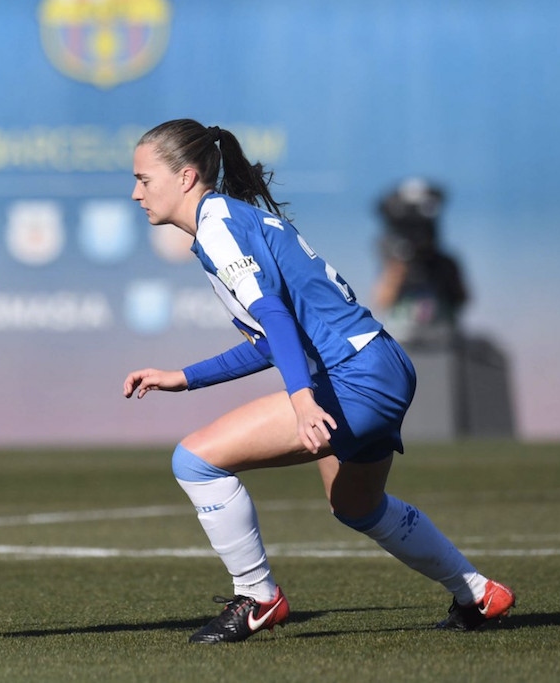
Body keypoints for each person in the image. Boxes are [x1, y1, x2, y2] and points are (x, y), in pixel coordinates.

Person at [121, 119, 514, 643]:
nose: (135, 192)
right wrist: (184, 378)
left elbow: (277, 321)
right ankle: (478, 593)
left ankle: (258, 597)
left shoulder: (218, 228)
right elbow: (270, 338)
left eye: (144, 179)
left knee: (194, 461)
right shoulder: (233, 221)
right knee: (357, 506)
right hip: (381, 363)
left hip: (353, 376)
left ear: (186, 176)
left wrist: (302, 401)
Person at [373, 177, 469, 347]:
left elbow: (462, 299)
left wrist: (441, 272)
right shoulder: (395, 265)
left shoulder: (445, 264)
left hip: (441, 345)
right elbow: (382, 301)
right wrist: (398, 267)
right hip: (404, 342)